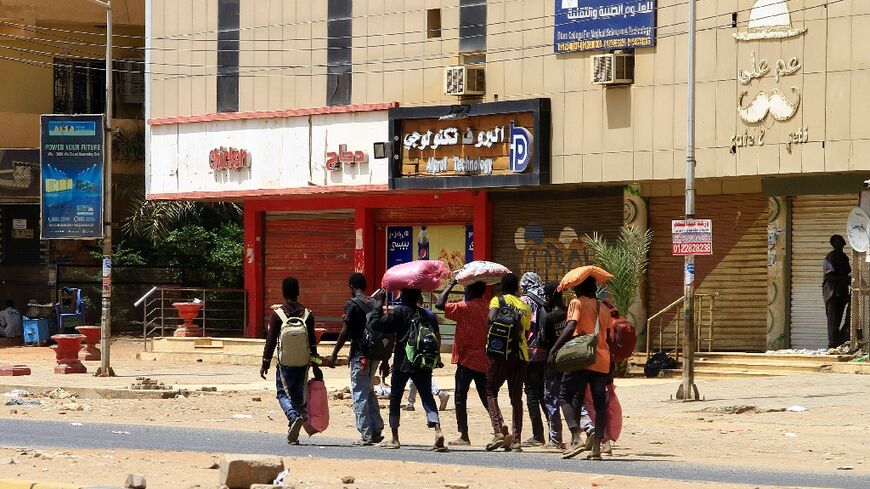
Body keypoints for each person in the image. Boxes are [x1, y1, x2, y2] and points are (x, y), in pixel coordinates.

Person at [369, 288, 446, 451]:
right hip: (422, 362)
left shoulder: (399, 312)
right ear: (419, 297)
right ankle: (437, 429)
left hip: (402, 362)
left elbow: (376, 324)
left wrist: (379, 303)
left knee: (396, 397)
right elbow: (436, 338)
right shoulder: (427, 314)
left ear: (403, 297)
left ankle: (395, 438)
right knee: (427, 396)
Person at [549, 276, 613, 460]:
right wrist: (611, 367)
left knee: (565, 396)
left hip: (581, 357)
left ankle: (576, 436)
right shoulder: (604, 307)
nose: (574, 291)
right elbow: (606, 337)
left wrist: (555, 349)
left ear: (580, 289)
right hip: (601, 359)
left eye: (575, 287)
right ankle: (596, 450)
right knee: (600, 404)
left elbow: (570, 328)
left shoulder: (576, 303)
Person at [260, 277, 326, 445]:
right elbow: (312, 344)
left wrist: (265, 363)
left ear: (283, 292)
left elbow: (270, 342)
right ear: (298, 292)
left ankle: (293, 416)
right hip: (303, 363)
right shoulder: (308, 315)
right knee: (297, 395)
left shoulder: (278, 315)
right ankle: (293, 433)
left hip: (285, 363)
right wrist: (316, 365)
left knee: (282, 394)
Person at [328, 273, 385, 446]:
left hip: (360, 355)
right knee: (368, 390)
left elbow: (345, 331)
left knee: (359, 394)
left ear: (351, 286)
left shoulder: (352, 304)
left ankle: (366, 434)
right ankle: (376, 428)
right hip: (374, 355)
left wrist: (334, 353)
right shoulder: (375, 304)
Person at [435, 277, 490, 446]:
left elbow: (439, 304)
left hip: (466, 358)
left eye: (466, 289)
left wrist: (451, 284)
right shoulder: (487, 307)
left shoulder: (464, 308)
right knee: (487, 396)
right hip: (482, 358)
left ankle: (464, 435)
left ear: (471, 291)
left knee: (460, 396)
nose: (465, 291)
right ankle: (498, 426)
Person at [485, 273, 531, 452]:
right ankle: (517, 440)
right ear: (517, 287)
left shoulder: (498, 300)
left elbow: (490, 319)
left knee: (490, 390)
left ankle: (498, 432)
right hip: (520, 356)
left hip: (500, 354)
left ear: (502, 287)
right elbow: (525, 330)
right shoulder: (525, 306)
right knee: (516, 398)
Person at [519, 272, 552, 447]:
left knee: (531, 393)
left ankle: (538, 435)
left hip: (530, 352)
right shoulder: (545, 298)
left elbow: (524, 325)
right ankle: (554, 433)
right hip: (547, 352)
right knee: (545, 394)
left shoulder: (525, 301)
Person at [823, 234, 851, 349]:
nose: (843, 240)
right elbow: (829, 276)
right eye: (840, 239)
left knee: (840, 319)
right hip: (832, 293)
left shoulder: (844, 257)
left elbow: (849, 273)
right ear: (835, 243)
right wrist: (846, 279)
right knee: (833, 320)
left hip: (842, 293)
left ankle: (838, 343)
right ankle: (831, 345)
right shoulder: (831, 257)